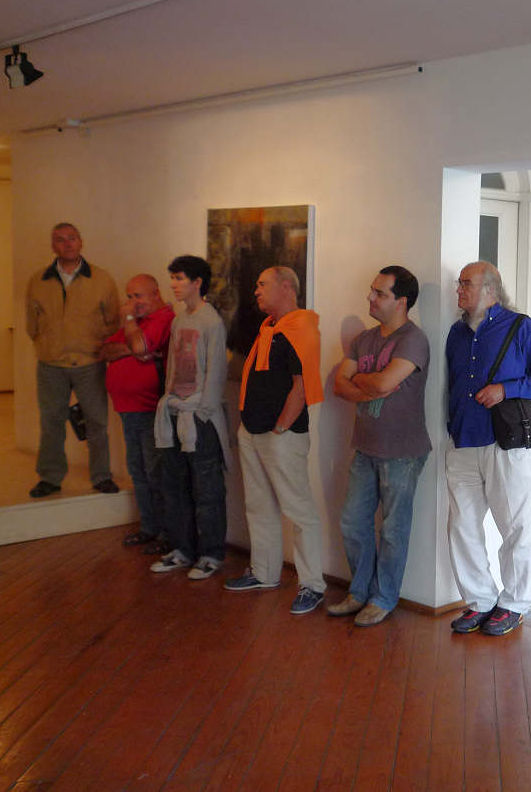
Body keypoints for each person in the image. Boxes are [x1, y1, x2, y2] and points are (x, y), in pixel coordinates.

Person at [445, 261, 531, 636]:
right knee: (461, 527)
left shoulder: (520, 327)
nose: (459, 289)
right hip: (463, 441)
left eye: (466, 283)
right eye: (459, 283)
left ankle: (514, 603)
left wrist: (505, 390)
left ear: (490, 290)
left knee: (515, 528)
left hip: (506, 443)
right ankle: (479, 600)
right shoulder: (456, 333)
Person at [329, 266, 431, 626]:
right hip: (365, 446)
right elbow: (339, 385)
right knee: (352, 523)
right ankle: (359, 593)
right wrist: (367, 384)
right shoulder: (364, 339)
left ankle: (383, 598)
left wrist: (361, 379)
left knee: (393, 531)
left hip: (402, 452)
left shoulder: (413, 339)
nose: (370, 298)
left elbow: (386, 382)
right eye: (372, 291)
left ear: (401, 301)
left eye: (380, 293)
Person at [224, 266, 328, 616]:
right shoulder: (269, 327)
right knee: (258, 506)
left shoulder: (301, 328)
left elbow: (302, 384)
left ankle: (312, 585)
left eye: (262, 284)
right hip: (253, 431)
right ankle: (264, 573)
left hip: (281, 435)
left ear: (286, 287)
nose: (256, 290)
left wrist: (281, 428)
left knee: (299, 510)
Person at [25, 222, 121, 498]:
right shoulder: (38, 280)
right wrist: (47, 346)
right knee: (51, 423)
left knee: (97, 423)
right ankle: (50, 478)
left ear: (80, 242)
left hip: (89, 364)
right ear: (53, 246)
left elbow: (113, 321)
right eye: (60, 239)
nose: (67, 244)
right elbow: (31, 323)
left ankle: (101, 476)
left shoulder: (102, 279)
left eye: (72, 238)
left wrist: (95, 346)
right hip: (50, 365)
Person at [151, 255, 229, 580]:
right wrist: (170, 401)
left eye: (180, 277)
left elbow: (216, 371)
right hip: (174, 412)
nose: (174, 284)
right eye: (172, 277)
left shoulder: (211, 322)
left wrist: (202, 412)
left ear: (197, 282)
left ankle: (211, 553)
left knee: (207, 489)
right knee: (175, 486)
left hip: (199, 418)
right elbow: (172, 365)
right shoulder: (179, 320)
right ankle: (183, 549)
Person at [100, 274, 175, 552]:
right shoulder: (138, 325)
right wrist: (130, 349)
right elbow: (105, 351)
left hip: (150, 409)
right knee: (138, 471)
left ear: (156, 293)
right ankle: (149, 527)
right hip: (128, 410)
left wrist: (130, 324)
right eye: (129, 297)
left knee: (156, 473)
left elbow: (143, 346)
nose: (132, 303)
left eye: (138, 296)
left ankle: (167, 533)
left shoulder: (162, 318)